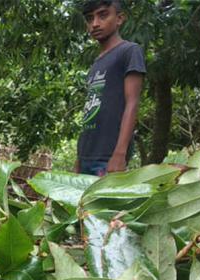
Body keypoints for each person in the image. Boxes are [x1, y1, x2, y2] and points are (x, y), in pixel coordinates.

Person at [76, 0, 146, 176]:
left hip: (108, 156)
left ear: (120, 18)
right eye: (90, 18)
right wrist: (79, 158)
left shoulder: (129, 51)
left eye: (103, 15)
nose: (95, 24)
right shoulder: (97, 63)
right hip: (87, 155)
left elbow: (132, 103)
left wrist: (120, 154)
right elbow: (90, 111)